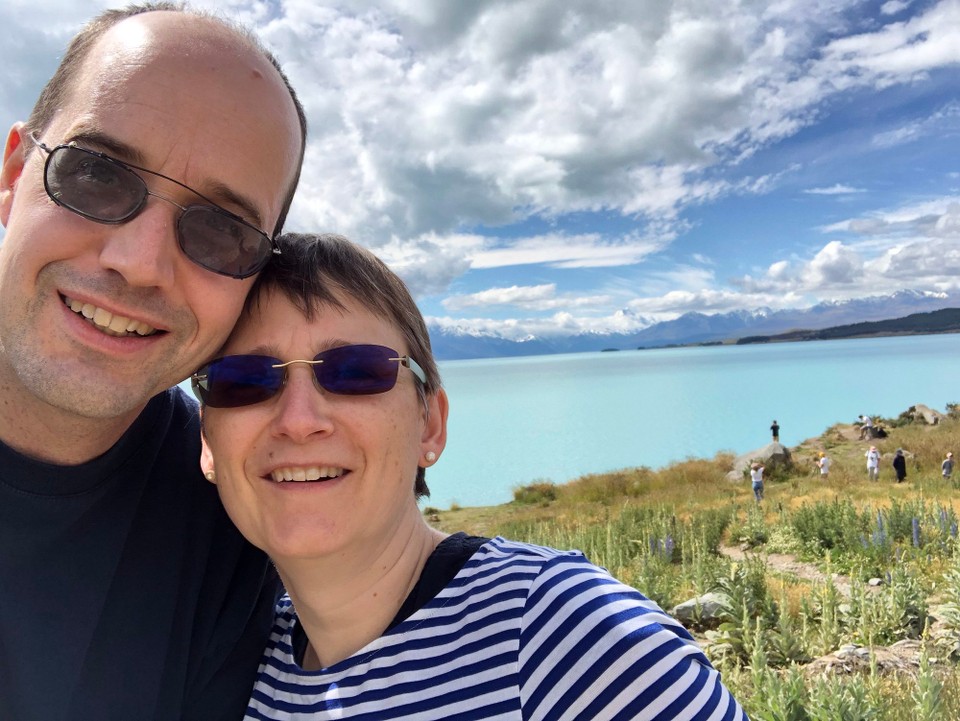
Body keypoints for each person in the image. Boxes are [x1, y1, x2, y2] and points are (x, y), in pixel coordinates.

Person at [193, 233, 749, 720]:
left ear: (430, 425)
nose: (298, 420)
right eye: (242, 381)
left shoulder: (569, 636)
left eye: (356, 371)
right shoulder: (236, 661)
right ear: (208, 444)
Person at [0, 5, 306, 720]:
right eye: (96, 175)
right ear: (13, 175)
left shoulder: (233, 521)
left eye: (223, 231)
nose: (140, 263)